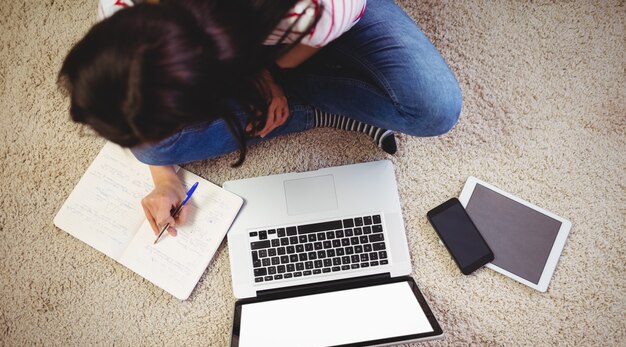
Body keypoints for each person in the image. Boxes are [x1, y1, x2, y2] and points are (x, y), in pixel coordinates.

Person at [59, 0, 461, 238]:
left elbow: (288, 55)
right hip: (242, 46)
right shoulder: (125, 8)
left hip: (309, 24)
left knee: (433, 107)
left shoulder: (315, 11)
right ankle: (330, 105)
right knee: (148, 144)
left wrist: (273, 73)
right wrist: (165, 179)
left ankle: (312, 104)